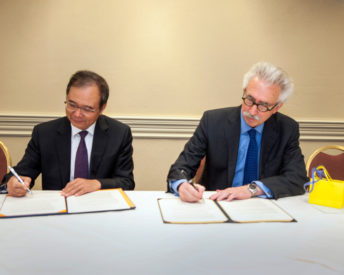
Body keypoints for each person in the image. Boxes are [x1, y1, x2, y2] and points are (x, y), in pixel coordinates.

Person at [167, 61, 308, 202]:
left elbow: (297, 178)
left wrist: (251, 189)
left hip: (263, 206)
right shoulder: (213, 122)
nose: (252, 111)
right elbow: (180, 168)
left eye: (264, 105)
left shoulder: (287, 129)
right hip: (219, 203)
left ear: (277, 108)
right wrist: (181, 185)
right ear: (244, 92)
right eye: (249, 100)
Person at [2, 70, 135, 197]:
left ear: (102, 108)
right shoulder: (44, 133)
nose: (77, 114)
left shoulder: (119, 133)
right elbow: (21, 173)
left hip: (100, 208)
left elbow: (126, 182)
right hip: (58, 207)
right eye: (72, 105)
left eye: (87, 108)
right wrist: (13, 183)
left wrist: (97, 184)